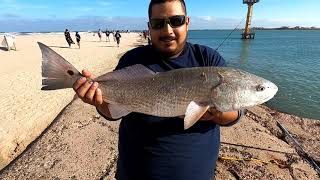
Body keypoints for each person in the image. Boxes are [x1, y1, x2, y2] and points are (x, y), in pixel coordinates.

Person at [73, 0, 244, 179]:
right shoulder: (133, 60)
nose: (167, 30)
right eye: (158, 23)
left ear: (187, 22)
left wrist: (216, 114)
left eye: (176, 20)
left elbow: (236, 112)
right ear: (149, 27)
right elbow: (112, 112)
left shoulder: (208, 59)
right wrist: (97, 101)